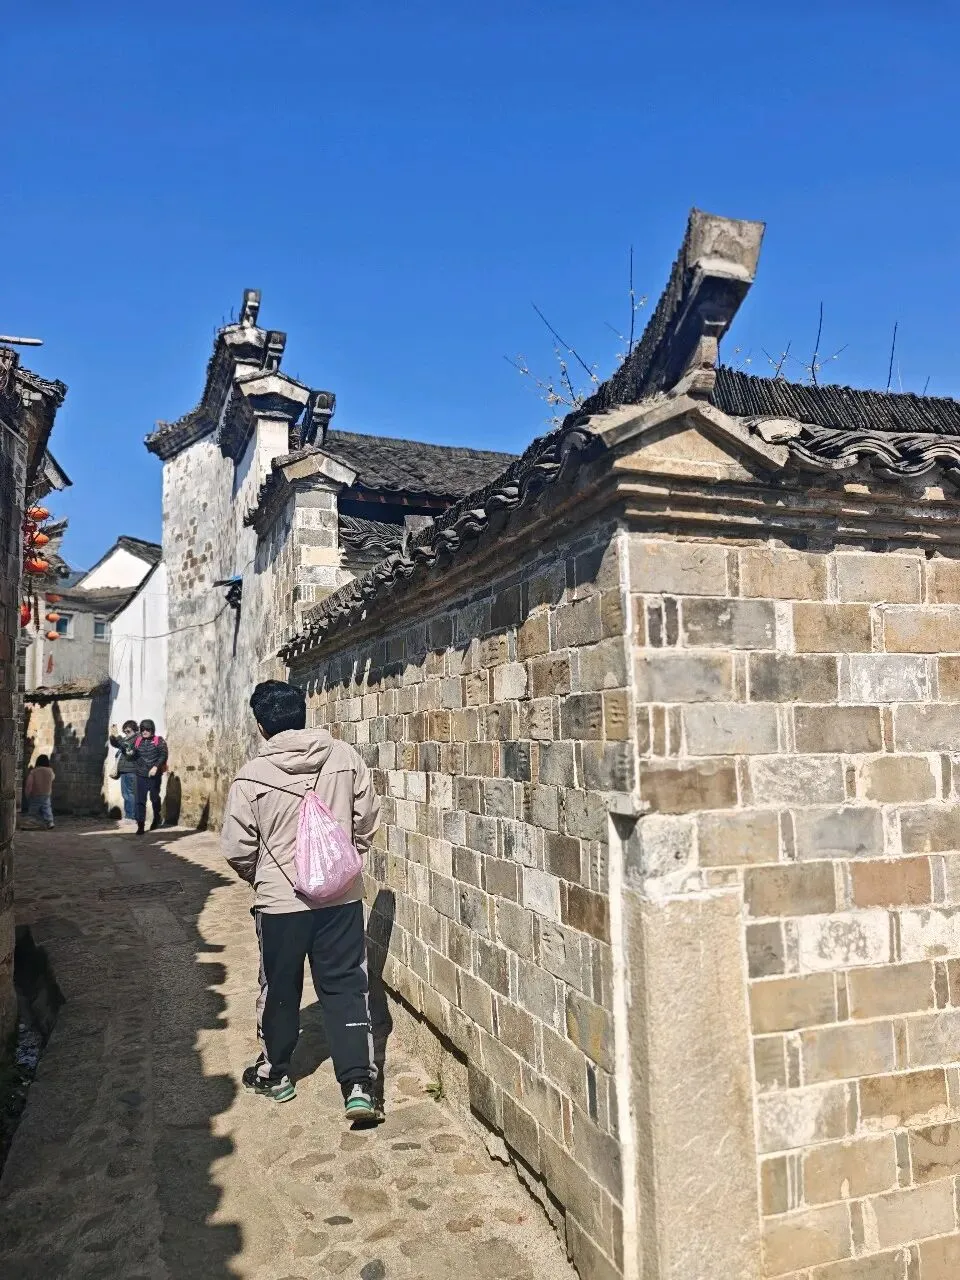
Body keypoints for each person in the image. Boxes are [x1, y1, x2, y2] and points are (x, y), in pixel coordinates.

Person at [221, 680, 380, 1116]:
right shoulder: (344, 758)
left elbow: (237, 847)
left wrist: (264, 879)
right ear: (303, 715)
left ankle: (275, 1073)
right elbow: (367, 820)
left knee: (279, 986)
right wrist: (340, 866)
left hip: (281, 904)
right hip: (341, 900)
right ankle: (358, 1084)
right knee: (346, 985)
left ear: (260, 725)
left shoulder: (251, 777)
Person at [133, 718, 167, 834]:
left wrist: (156, 767)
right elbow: (131, 754)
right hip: (141, 774)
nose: (145, 732)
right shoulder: (137, 741)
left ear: (152, 730)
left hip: (154, 775)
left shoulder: (159, 740)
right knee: (140, 800)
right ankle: (140, 825)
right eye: (143, 729)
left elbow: (163, 754)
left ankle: (156, 817)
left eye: (147, 729)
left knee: (154, 798)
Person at [109, 720, 140, 822]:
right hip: (124, 770)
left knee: (131, 794)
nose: (126, 734)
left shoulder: (138, 739)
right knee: (126, 794)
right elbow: (118, 745)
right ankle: (129, 816)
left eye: (128, 731)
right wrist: (113, 737)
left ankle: (132, 817)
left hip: (132, 770)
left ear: (135, 730)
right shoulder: (127, 739)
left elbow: (127, 748)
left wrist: (118, 737)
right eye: (125, 732)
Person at [24, 755, 56, 829]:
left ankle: (31, 821)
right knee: (47, 807)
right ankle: (50, 822)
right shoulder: (50, 771)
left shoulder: (34, 771)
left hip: (36, 793)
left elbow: (29, 783)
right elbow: (53, 778)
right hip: (46, 793)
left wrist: (27, 793)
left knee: (34, 808)